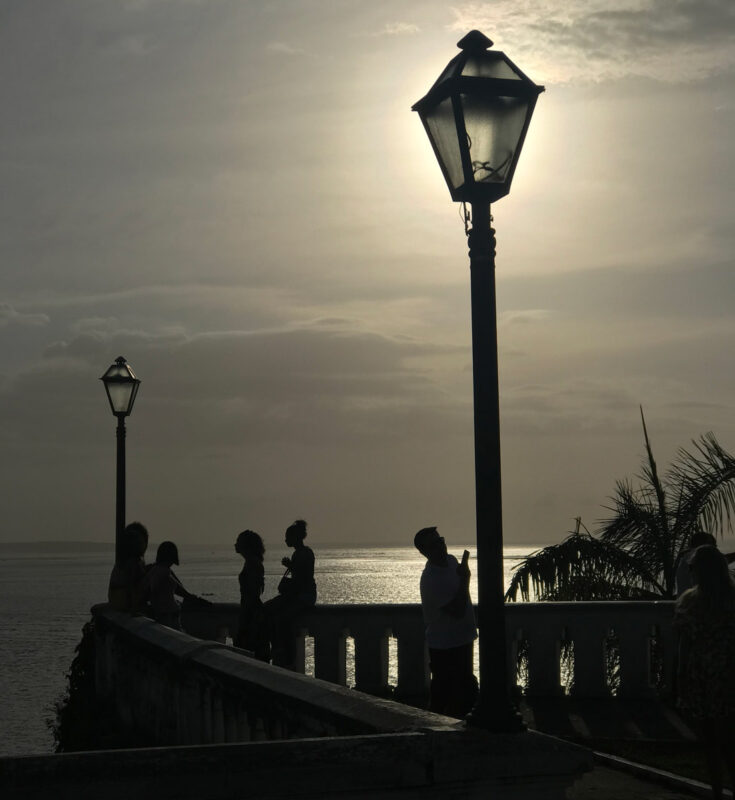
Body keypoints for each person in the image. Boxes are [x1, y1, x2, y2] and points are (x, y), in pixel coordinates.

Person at [675, 545, 735, 799]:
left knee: (725, 743)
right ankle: (717, 791)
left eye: (693, 568)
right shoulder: (690, 602)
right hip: (705, 679)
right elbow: (684, 647)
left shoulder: (725, 602)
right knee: (712, 742)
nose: (691, 573)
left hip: (724, 679)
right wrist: (680, 680)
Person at [414, 526, 478, 718]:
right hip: (445, 646)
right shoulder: (431, 579)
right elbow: (457, 610)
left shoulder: (451, 562)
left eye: (440, 540)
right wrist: (465, 580)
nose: (441, 546)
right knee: (446, 695)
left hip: (463, 639)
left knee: (462, 690)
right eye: (434, 544)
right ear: (424, 551)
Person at [264, 519, 317, 667]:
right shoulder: (299, 554)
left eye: (288, 537)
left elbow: (303, 577)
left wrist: (291, 566)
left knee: (282, 618)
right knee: (271, 611)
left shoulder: (305, 553)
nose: (285, 540)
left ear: (295, 537)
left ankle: (283, 651)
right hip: (298, 594)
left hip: (304, 596)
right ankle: (278, 648)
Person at [146, 541, 201, 630]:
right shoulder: (164, 571)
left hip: (166, 614)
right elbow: (153, 589)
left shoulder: (155, 570)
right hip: (168, 615)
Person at [234, 530, 269, 660]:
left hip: (251, 613)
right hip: (251, 611)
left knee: (249, 653)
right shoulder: (252, 562)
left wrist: (247, 617)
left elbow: (253, 593)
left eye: (238, 541)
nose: (235, 544)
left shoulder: (252, 563)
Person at [107, 521, 150, 613]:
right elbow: (131, 584)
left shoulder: (122, 562)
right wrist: (135, 608)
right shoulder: (133, 563)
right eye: (139, 543)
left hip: (117, 603)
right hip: (125, 604)